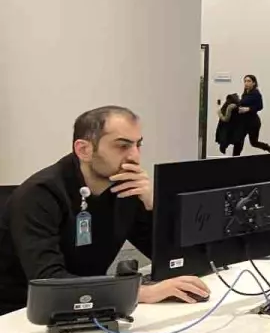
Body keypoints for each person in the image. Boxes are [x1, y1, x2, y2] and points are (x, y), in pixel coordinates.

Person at [0, 106, 211, 314]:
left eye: (138, 145)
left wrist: (153, 206)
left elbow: (173, 259)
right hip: (20, 314)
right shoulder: (38, 196)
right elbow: (48, 282)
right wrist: (140, 293)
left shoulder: (126, 189)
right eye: (122, 146)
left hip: (91, 303)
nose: (135, 157)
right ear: (84, 150)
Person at [232, 74, 270, 155]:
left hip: (253, 123)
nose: (246, 83)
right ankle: (234, 159)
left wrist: (248, 109)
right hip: (243, 122)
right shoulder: (245, 93)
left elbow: (260, 106)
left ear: (254, 83)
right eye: (245, 81)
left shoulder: (256, 94)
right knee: (238, 141)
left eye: (249, 81)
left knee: (254, 143)